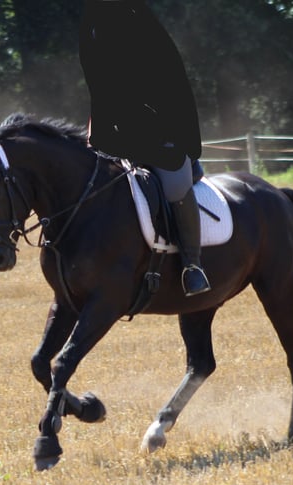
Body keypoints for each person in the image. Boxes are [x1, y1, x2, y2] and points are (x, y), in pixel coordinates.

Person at [79, 0, 211, 296]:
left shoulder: (145, 31)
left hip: (162, 135)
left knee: (175, 187)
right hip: (116, 139)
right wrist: (95, 135)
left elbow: (170, 88)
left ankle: (193, 266)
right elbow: (99, 94)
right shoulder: (93, 32)